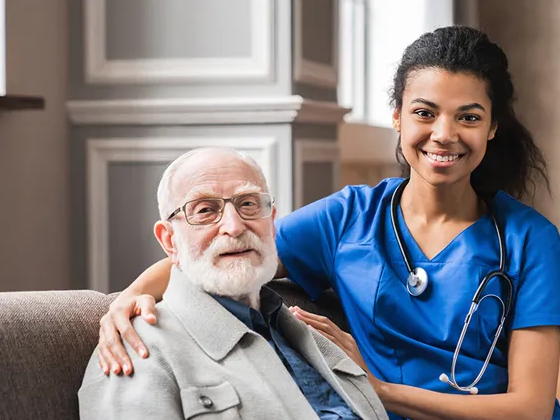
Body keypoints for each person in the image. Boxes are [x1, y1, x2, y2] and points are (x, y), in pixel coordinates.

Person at [94, 25, 560, 420]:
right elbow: (232, 247)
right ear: (398, 119)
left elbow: (530, 409)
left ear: (492, 126)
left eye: (468, 117)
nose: (443, 134)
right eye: (424, 113)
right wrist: (124, 302)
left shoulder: (530, 239)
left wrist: (376, 391)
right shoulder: (347, 217)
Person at [78, 147, 389, 420]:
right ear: (169, 240)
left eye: (249, 204)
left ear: (272, 221)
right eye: (205, 210)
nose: (234, 226)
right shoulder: (136, 350)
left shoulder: (314, 336)